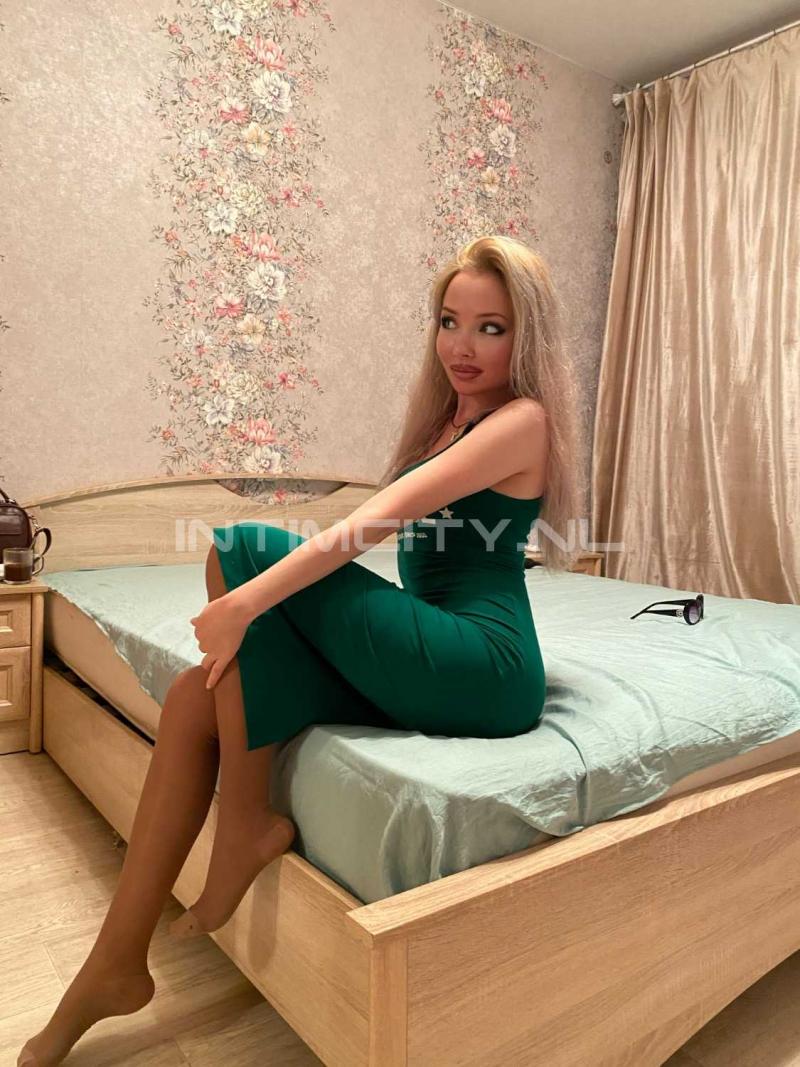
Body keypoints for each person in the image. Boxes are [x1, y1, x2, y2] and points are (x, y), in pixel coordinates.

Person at [18, 234, 583, 1065]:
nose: (462, 345)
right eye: (449, 321)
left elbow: (369, 526)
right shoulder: (448, 421)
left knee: (243, 548)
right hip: (433, 653)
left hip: (485, 667)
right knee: (194, 695)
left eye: (491, 328)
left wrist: (245, 601)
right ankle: (114, 962)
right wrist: (255, 611)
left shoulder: (522, 421)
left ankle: (244, 821)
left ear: (525, 337)